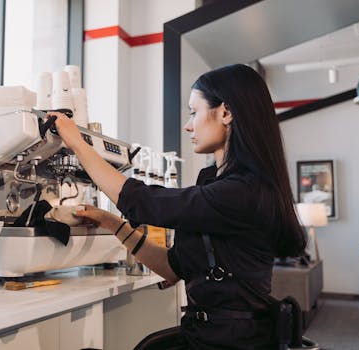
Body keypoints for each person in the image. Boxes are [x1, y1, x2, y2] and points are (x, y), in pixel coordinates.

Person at [50, 64, 307, 350]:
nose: (188, 125)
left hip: (228, 342)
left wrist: (77, 142)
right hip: (208, 335)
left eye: (193, 112)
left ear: (226, 112)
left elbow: (141, 201)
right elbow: (172, 268)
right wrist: (110, 223)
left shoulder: (242, 192)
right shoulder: (222, 184)